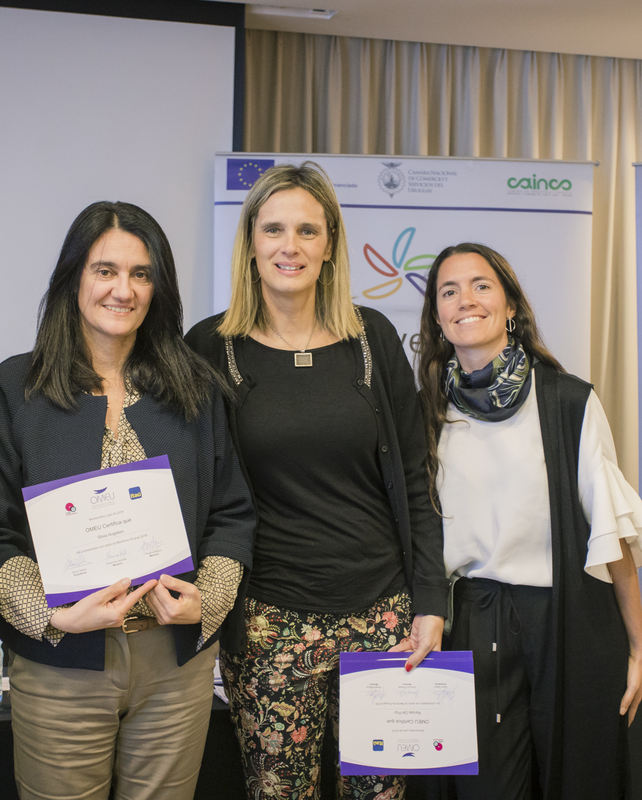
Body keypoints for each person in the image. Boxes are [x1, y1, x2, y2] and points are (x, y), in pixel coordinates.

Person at [0, 200, 254, 800]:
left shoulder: (195, 388)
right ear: (74, 279)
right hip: (61, 662)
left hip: (176, 663)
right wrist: (51, 616)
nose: (123, 290)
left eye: (141, 274)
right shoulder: (17, 388)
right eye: (105, 270)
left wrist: (207, 601)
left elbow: (231, 514)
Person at [186, 162, 446, 800]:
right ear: (251, 241)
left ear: (330, 244)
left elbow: (416, 480)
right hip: (266, 622)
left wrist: (431, 601)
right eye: (274, 229)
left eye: (308, 230)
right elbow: (193, 487)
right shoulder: (210, 347)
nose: (290, 246)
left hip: (383, 616)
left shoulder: (371, 338)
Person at [415, 242, 642, 799]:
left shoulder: (568, 401)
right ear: (437, 317)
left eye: (481, 285)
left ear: (510, 306)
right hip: (471, 622)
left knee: (575, 779)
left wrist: (638, 645)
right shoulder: (425, 413)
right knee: (485, 788)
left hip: (567, 620)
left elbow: (611, 528)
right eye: (449, 292)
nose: (465, 300)